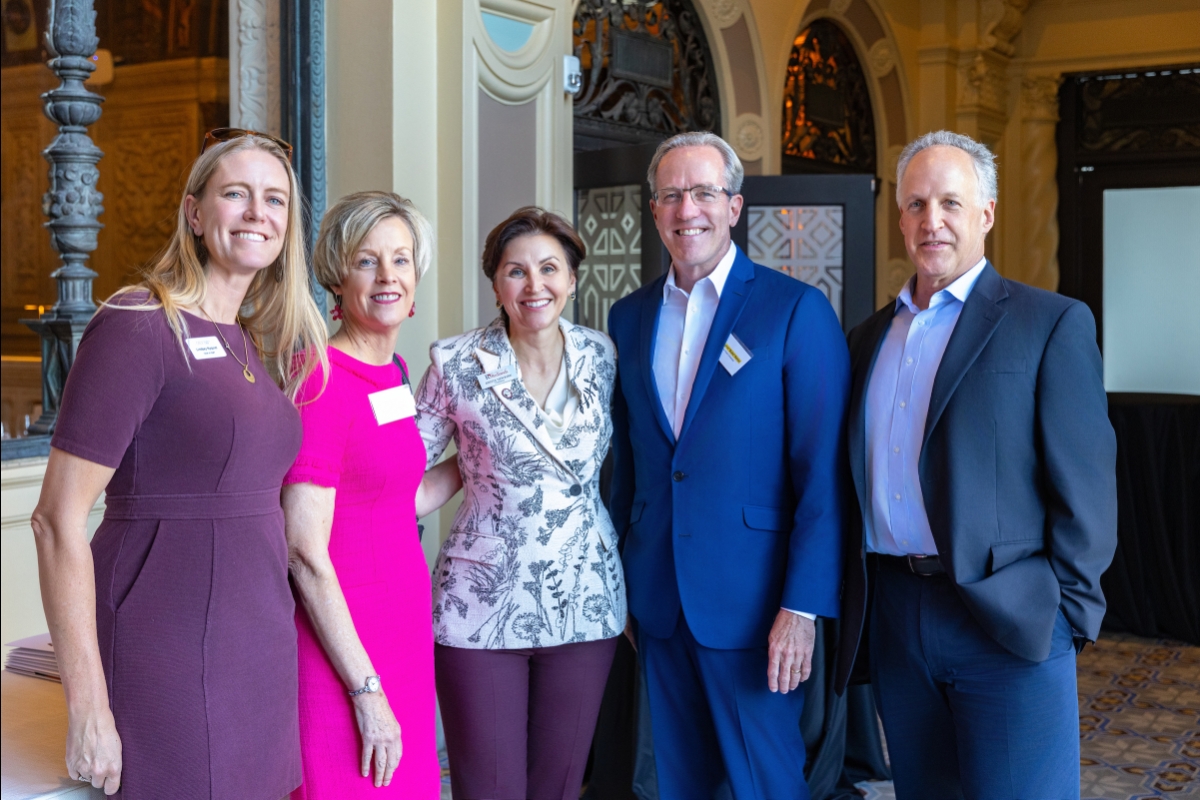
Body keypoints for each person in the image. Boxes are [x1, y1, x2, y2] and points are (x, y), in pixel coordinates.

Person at [30, 128, 328, 798]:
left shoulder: (250, 343)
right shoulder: (140, 323)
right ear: (195, 213)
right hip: (167, 639)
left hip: (257, 641)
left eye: (275, 199)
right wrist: (89, 707)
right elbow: (55, 521)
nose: (258, 212)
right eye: (236, 194)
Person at [834, 130, 1118, 799]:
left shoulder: (1048, 323)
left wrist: (1063, 616)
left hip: (1008, 621)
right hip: (898, 614)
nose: (931, 220)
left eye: (950, 203)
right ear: (899, 217)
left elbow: (1088, 492)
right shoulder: (865, 339)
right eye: (916, 204)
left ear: (986, 214)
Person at [607, 131, 850, 799]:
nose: (689, 209)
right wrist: (622, 584)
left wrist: (802, 608)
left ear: (735, 206)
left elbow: (823, 476)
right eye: (673, 195)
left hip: (757, 609)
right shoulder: (627, 318)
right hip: (658, 599)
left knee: (764, 785)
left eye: (705, 192)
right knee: (677, 785)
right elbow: (628, 468)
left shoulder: (793, 311)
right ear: (654, 210)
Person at [414, 206, 626, 800]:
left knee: (559, 787)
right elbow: (402, 468)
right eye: (516, 271)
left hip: (585, 594)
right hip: (481, 602)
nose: (535, 286)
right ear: (495, 283)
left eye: (550, 268)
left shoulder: (601, 354)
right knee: (488, 789)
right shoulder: (454, 362)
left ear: (573, 279)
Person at [282, 191, 460, 798]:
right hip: (343, 654)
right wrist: (365, 690)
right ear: (337, 276)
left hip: (401, 635)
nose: (388, 276)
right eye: (367, 261)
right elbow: (304, 551)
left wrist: (481, 456)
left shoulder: (394, 373)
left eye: (401, 259)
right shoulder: (321, 378)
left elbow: (392, 501)